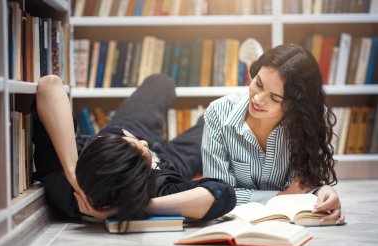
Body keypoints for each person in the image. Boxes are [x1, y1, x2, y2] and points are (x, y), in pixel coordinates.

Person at [32, 74, 236, 221]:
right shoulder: (157, 191)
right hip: (173, 160)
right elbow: (222, 193)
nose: (144, 143)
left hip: (126, 130)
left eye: (133, 145)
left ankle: (128, 142)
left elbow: (49, 85)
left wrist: (73, 173)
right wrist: (129, 209)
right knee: (222, 116)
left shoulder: (63, 182)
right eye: (142, 153)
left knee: (161, 82)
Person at [202, 44, 345, 224]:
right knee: (177, 162)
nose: (258, 99)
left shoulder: (310, 120)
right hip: (217, 128)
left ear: (296, 105)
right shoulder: (218, 112)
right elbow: (217, 193)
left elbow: (302, 186)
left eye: (275, 98)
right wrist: (281, 195)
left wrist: (320, 192)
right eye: (258, 84)